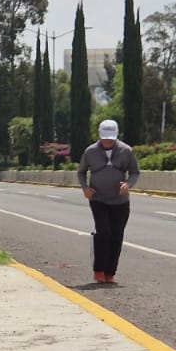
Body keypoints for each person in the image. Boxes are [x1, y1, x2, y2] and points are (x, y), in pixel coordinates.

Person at [75, 119, 140, 284]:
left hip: (120, 201)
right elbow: (81, 172)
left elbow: (135, 172)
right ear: (100, 136)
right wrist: (85, 188)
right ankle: (99, 270)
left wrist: (128, 184)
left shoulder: (126, 151)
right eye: (105, 139)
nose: (107, 142)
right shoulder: (90, 152)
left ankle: (110, 272)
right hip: (98, 199)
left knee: (116, 236)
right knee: (103, 232)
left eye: (110, 139)